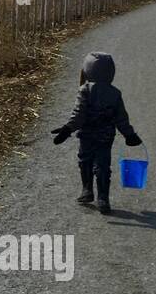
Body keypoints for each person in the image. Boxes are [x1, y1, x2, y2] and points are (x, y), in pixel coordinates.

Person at [51, 52, 141, 215]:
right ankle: (103, 198)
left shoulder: (85, 90)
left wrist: (67, 129)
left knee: (85, 160)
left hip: (87, 135)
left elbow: (79, 114)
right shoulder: (115, 93)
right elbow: (121, 117)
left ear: (88, 70)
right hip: (106, 136)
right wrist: (129, 134)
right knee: (103, 165)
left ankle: (87, 190)